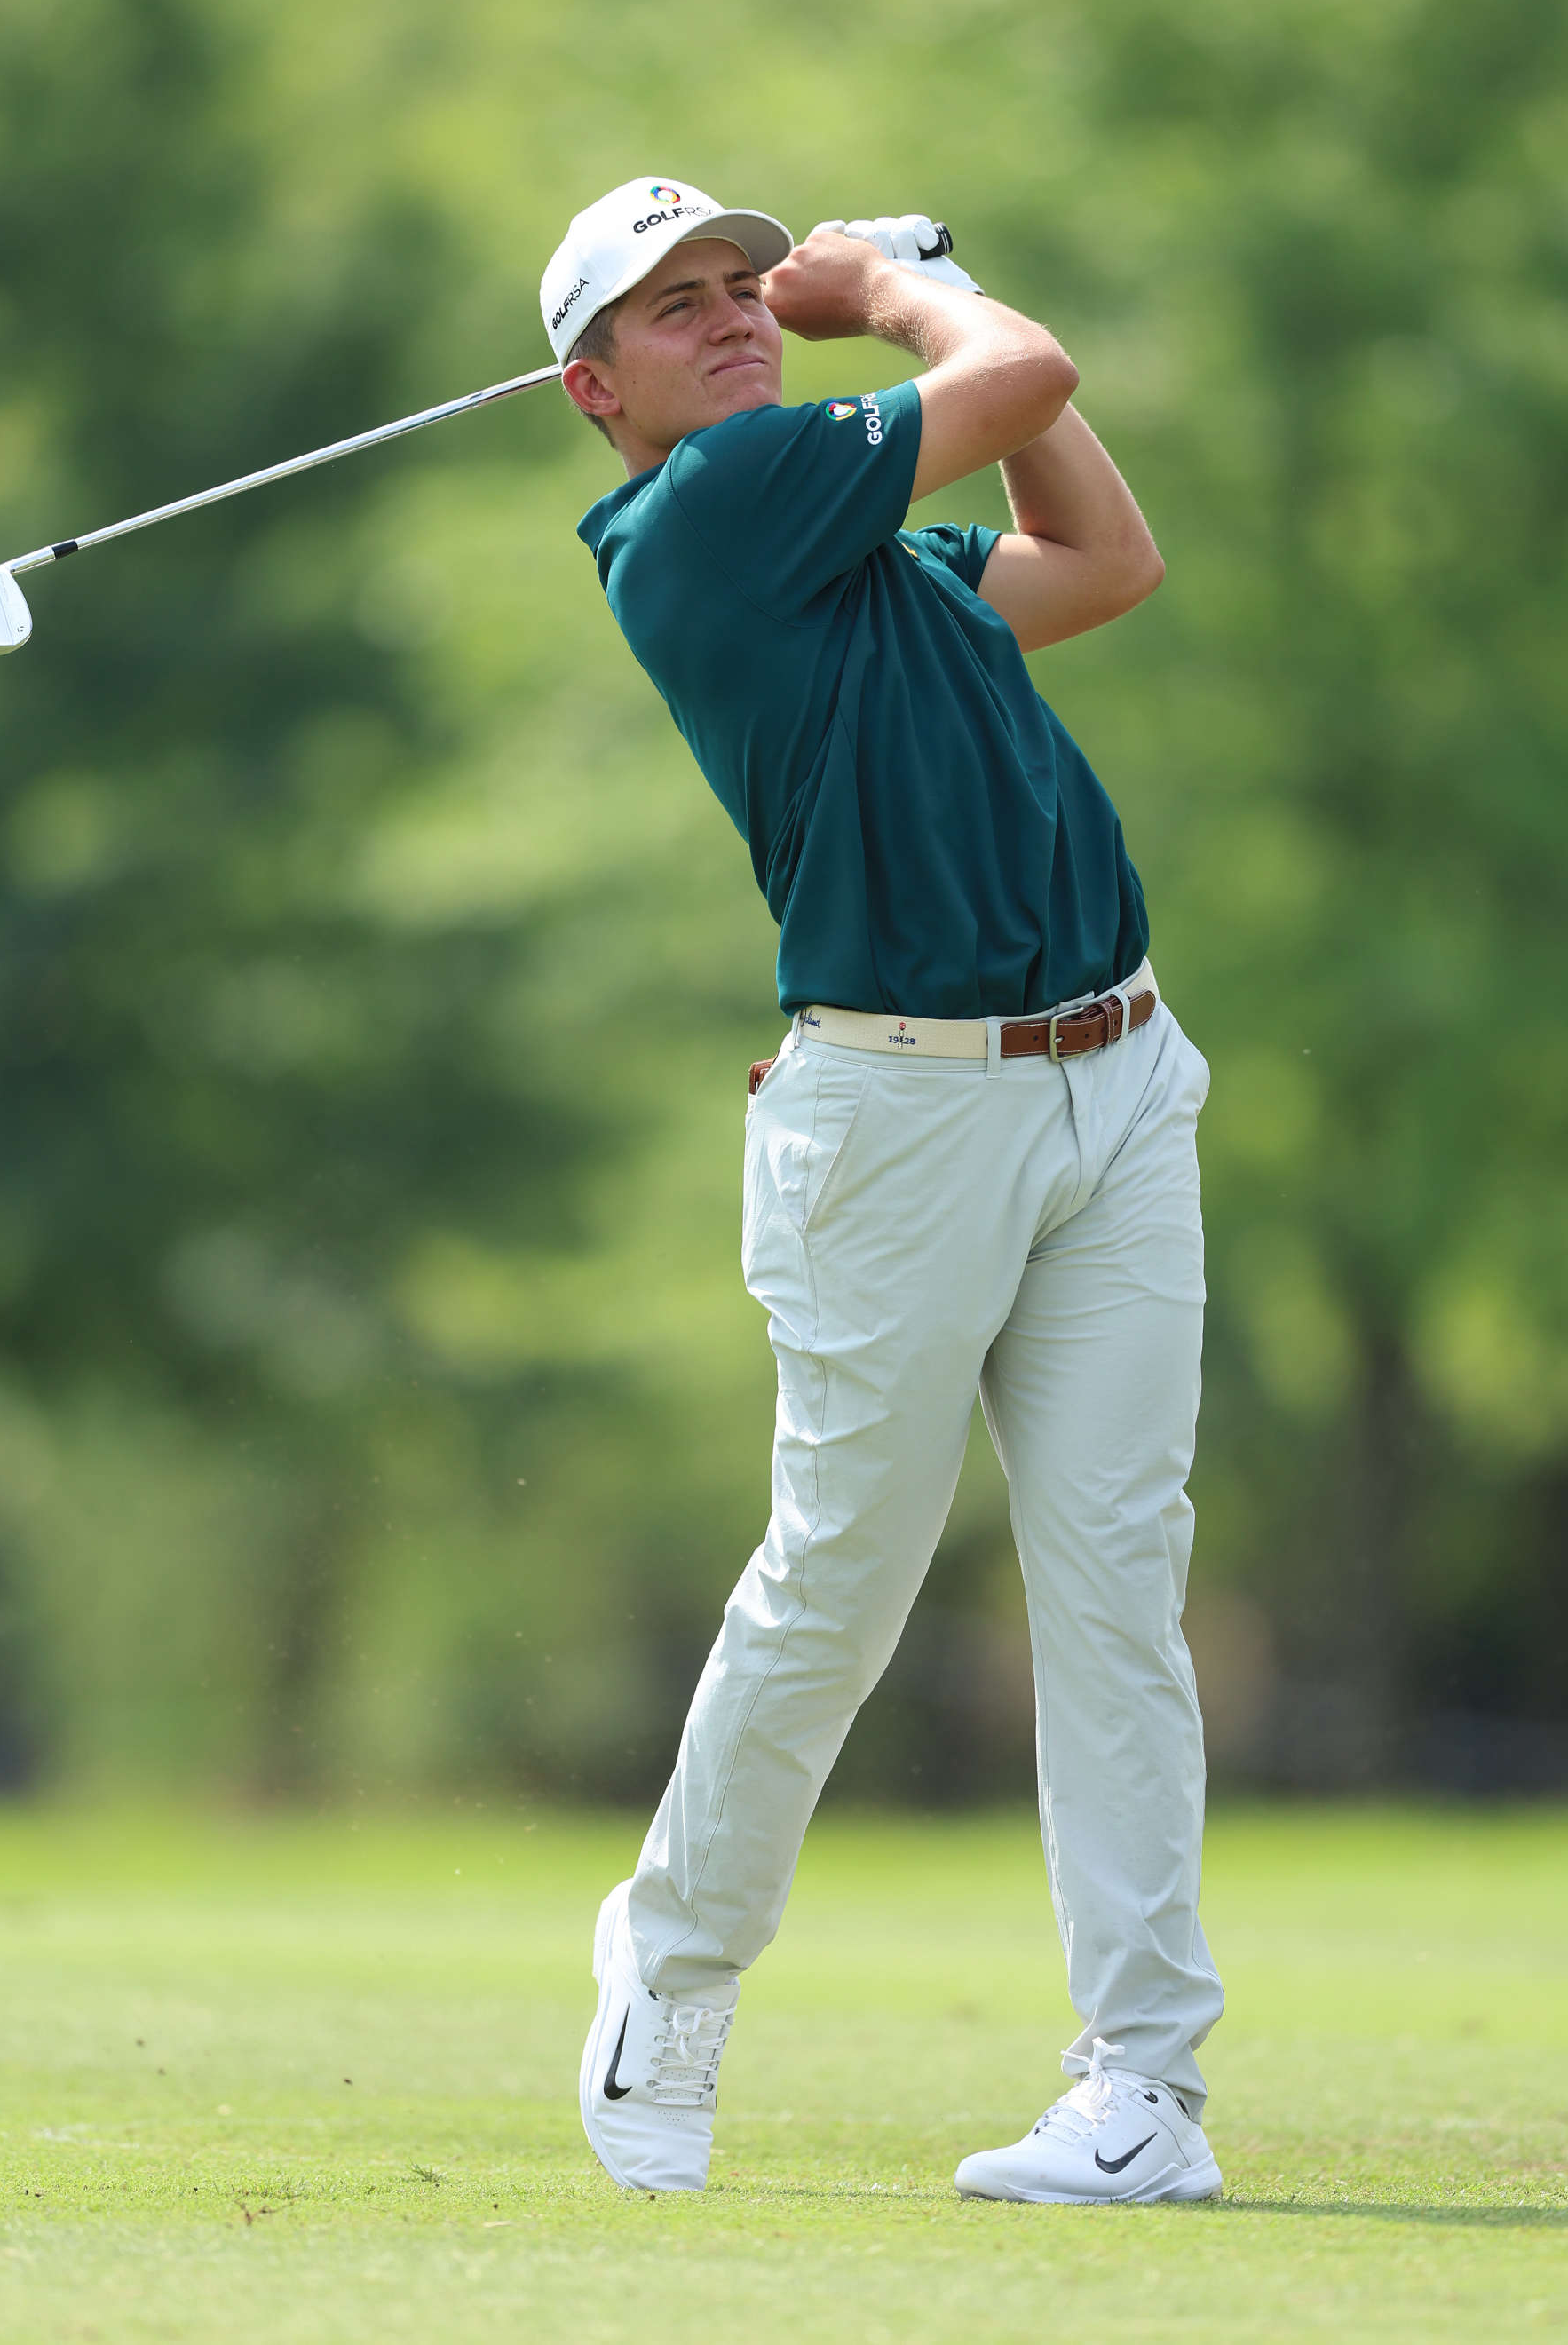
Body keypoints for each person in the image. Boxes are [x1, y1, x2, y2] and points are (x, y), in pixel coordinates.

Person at [537, 178, 1224, 2206]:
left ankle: (1145, 2095)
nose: (741, 318)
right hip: (901, 1127)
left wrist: (930, 329)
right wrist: (908, 293)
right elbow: (1018, 366)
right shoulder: (709, 516)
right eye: (681, 310)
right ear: (600, 394)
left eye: (751, 286)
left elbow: (1105, 554)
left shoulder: (872, 564)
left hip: (1118, 1080)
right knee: (839, 1585)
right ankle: (668, 1975)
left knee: (1122, 1595)